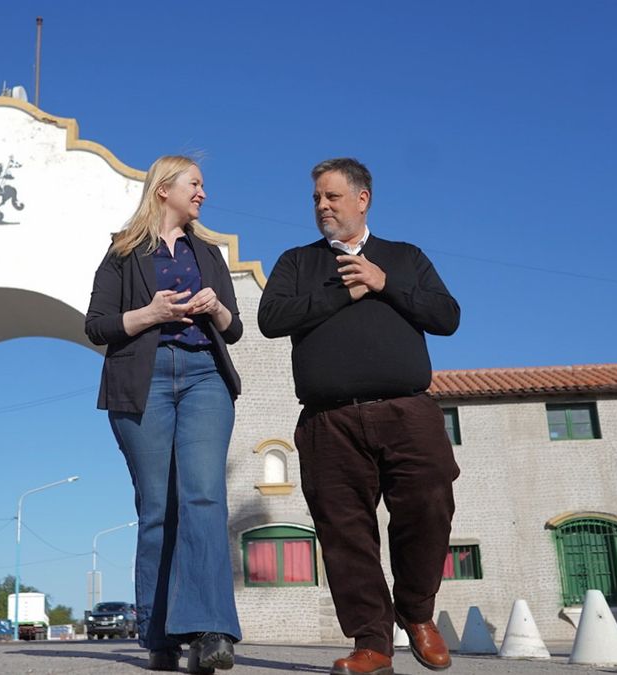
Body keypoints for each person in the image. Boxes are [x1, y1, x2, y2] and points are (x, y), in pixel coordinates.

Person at [258, 158, 461, 675]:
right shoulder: (297, 262)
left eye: (332, 197)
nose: (322, 206)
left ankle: (416, 612)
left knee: (430, 503)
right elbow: (271, 319)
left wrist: (383, 281)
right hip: (329, 420)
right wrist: (344, 291)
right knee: (344, 531)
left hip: (408, 411)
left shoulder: (404, 257)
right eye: (316, 199)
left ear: (362, 198)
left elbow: (447, 317)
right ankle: (372, 641)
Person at [85, 155, 243, 673]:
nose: (202, 193)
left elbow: (234, 326)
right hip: (143, 381)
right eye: (194, 184)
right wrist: (151, 313)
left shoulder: (209, 253)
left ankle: (212, 631)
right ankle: (159, 635)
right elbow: (97, 325)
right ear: (163, 190)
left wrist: (215, 308)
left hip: (204, 376)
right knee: (158, 509)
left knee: (203, 497)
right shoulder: (122, 252)